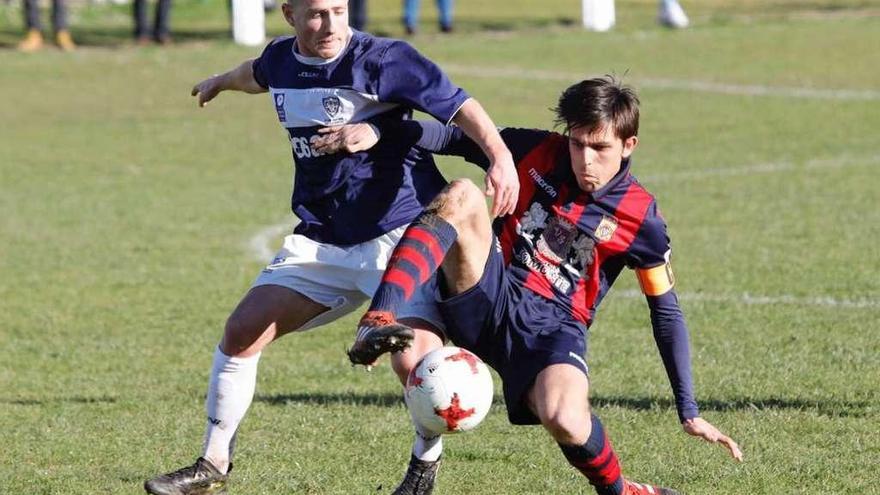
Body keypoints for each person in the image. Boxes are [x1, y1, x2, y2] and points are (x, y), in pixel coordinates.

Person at [142, 0, 518, 494]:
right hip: (323, 240)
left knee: (416, 364)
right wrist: (219, 81)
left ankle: (422, 470)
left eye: (339, 9)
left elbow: (459, 105)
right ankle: (213, 463)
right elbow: (255, 73)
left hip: (399, 236)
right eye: (317, 13)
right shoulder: (282, 59)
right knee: (241, 333)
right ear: (289, 15)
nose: (330, 24)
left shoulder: (384, 58)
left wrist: (500, 157)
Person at [347, 76, 742, 494]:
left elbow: (665, 310)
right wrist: (378, 129)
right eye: (577, 144)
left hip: (552, 328)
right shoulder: (536, 150)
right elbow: (448, 137)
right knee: (462, 194)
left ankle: (623, 491)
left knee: (566, 418)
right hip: (489, 289)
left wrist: (689, 409)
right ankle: (378, 317)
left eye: (600, 148)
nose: (585, 159)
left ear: (629, 146)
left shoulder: (642, 220)